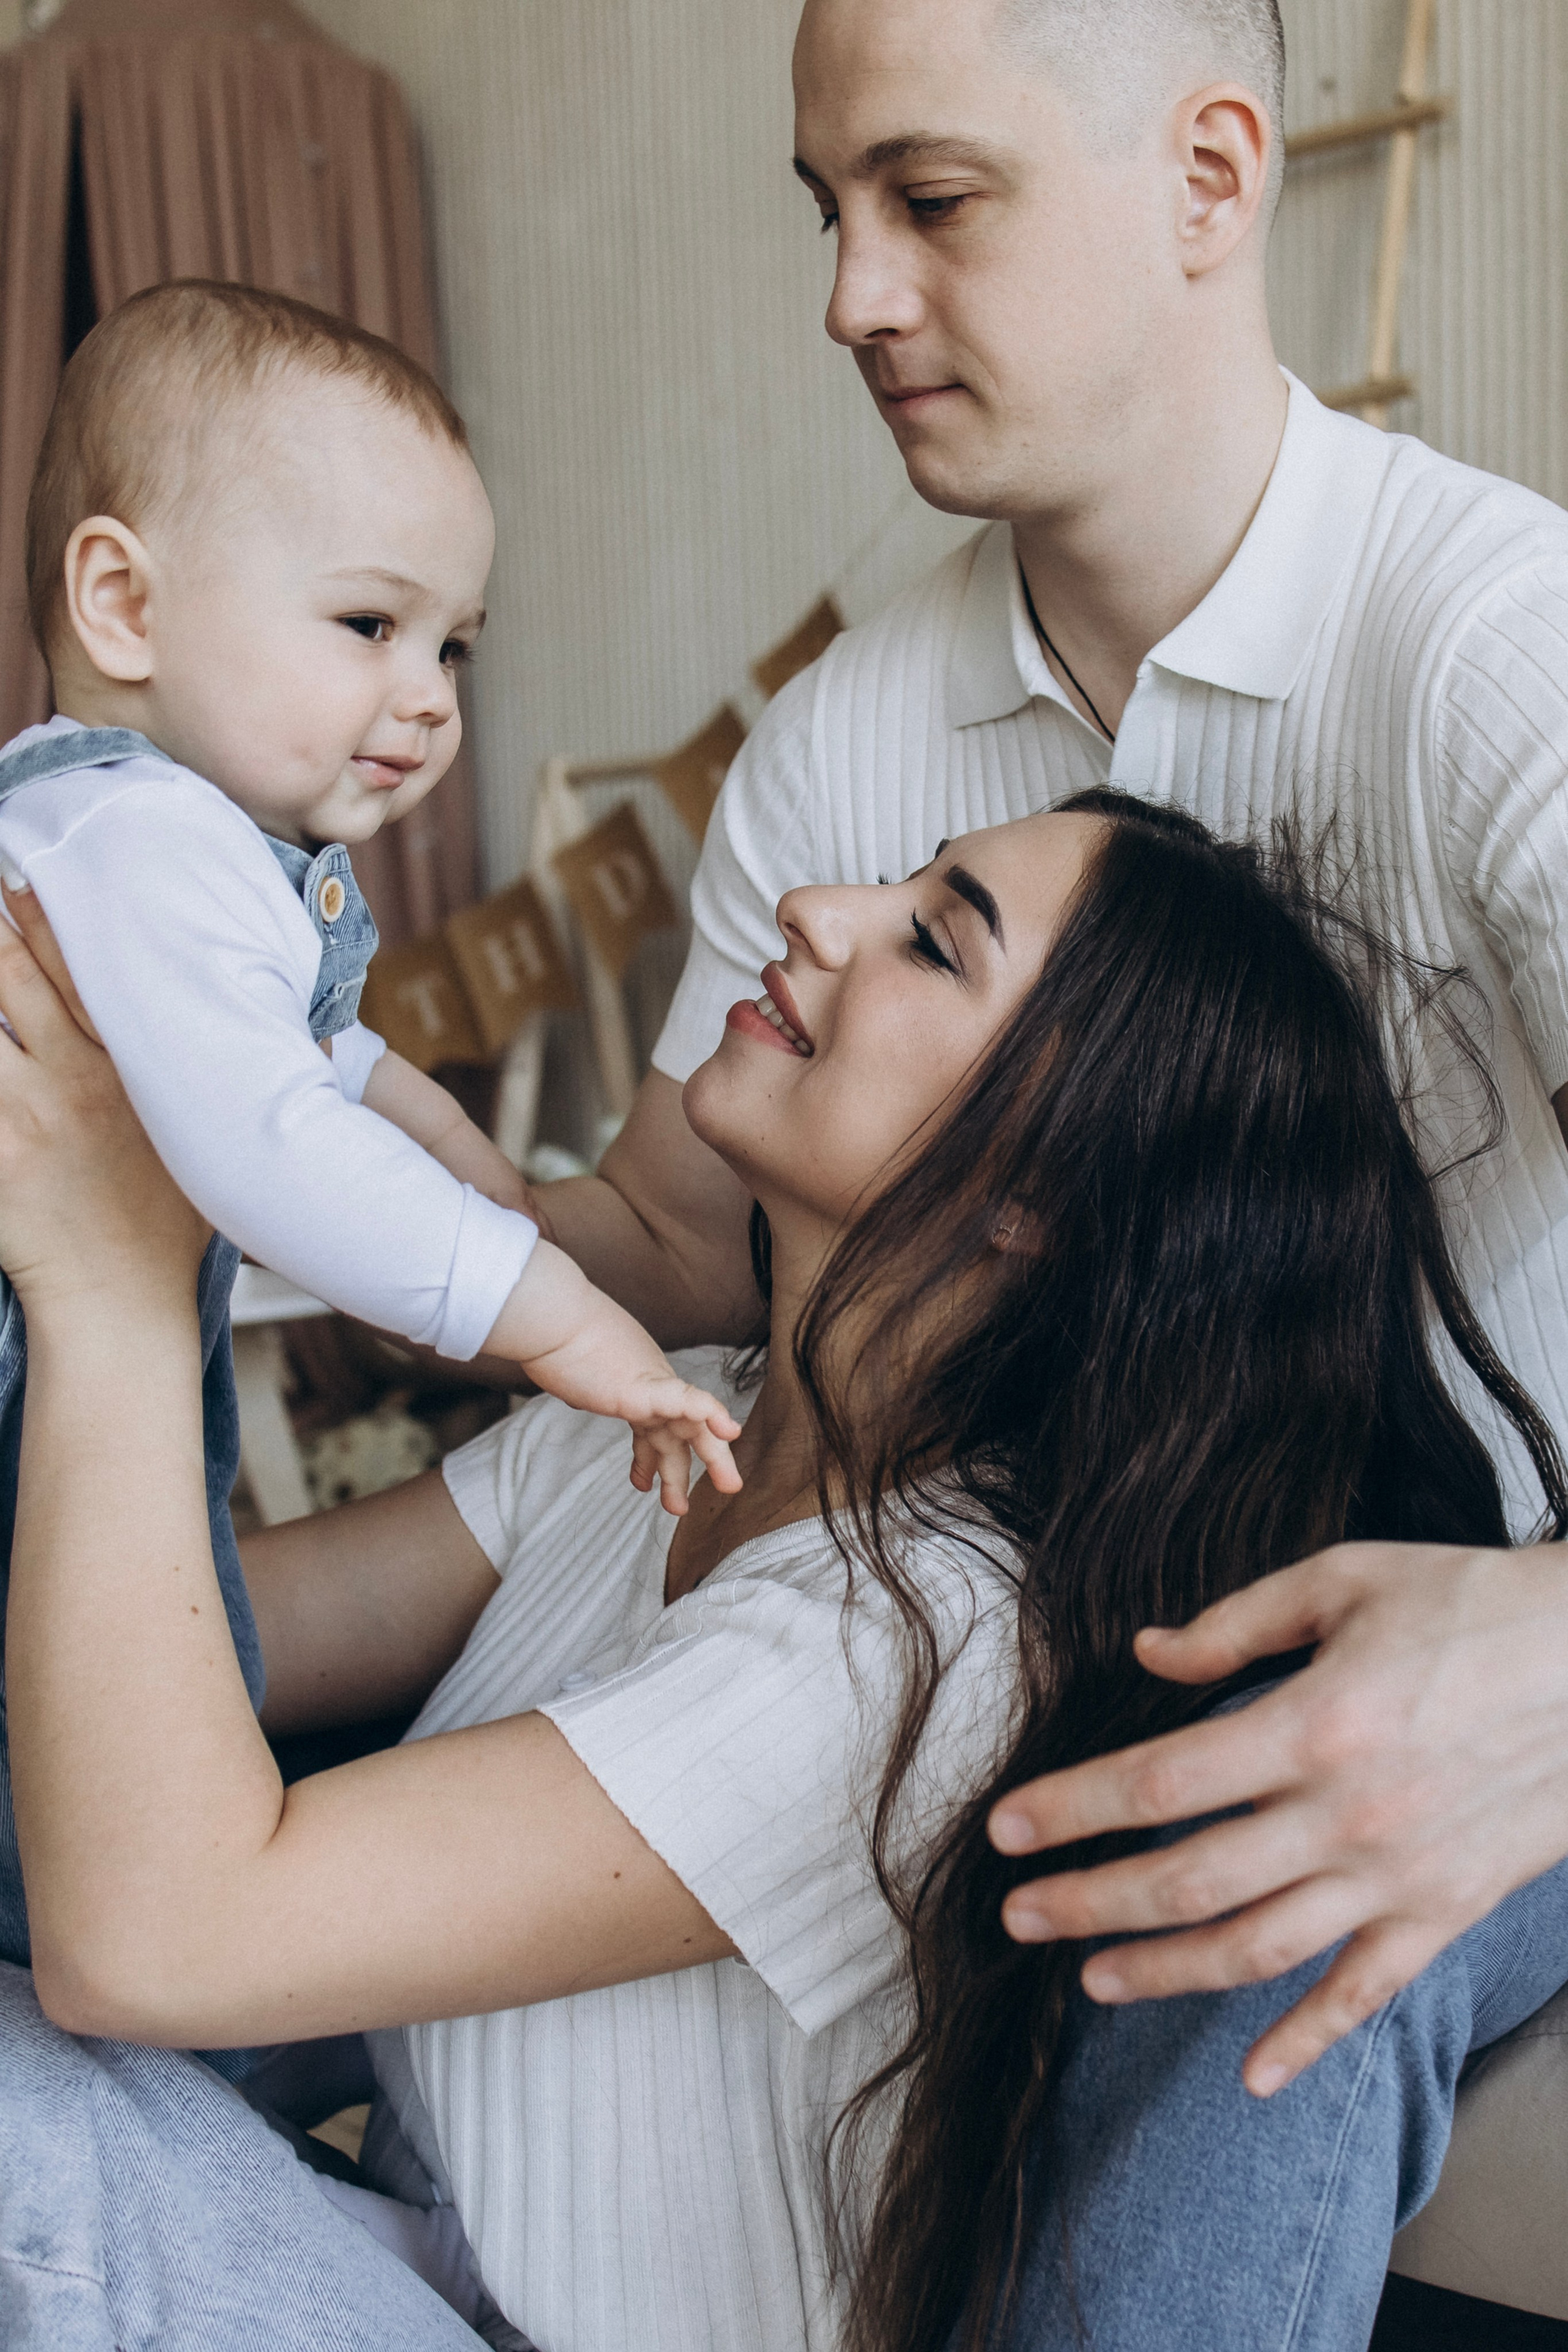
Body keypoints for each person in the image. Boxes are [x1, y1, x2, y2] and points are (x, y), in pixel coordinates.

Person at [2, 793, 1567, 2352]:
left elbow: (155, 1931)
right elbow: (149, 1662)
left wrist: (114, 1277)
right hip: (401, 2264)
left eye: (929, 941)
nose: (817, 908)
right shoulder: (668, 1422)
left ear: (1041, 1192)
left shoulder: (925, 1635)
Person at [518, 0, 1568, 2094]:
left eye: (930, 202)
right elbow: (663, 1238)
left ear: (1209, 177)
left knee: (1229, 1902)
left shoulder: (1496, 649)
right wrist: (262, 1115)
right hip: (1041, 1603)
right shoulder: (843, 741)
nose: (850, 298)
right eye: (829, 210)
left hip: (1461, 1634)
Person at [0, 279, 741, 1975]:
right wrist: (558, 1319)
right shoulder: (147, 848)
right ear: (121, 601)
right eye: (367, 625)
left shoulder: (157, 840)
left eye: (454, 645)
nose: (427, 699)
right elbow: (264, 1143)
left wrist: (476, 1173)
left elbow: (318, 1061)